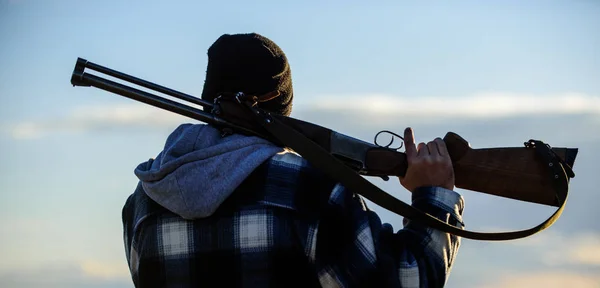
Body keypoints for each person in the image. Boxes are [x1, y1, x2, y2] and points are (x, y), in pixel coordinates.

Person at [122, 33, 465, 288]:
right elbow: (408, 280)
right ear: (281, 104)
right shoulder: (312, 188)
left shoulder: (143, 201)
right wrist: (433, 198)